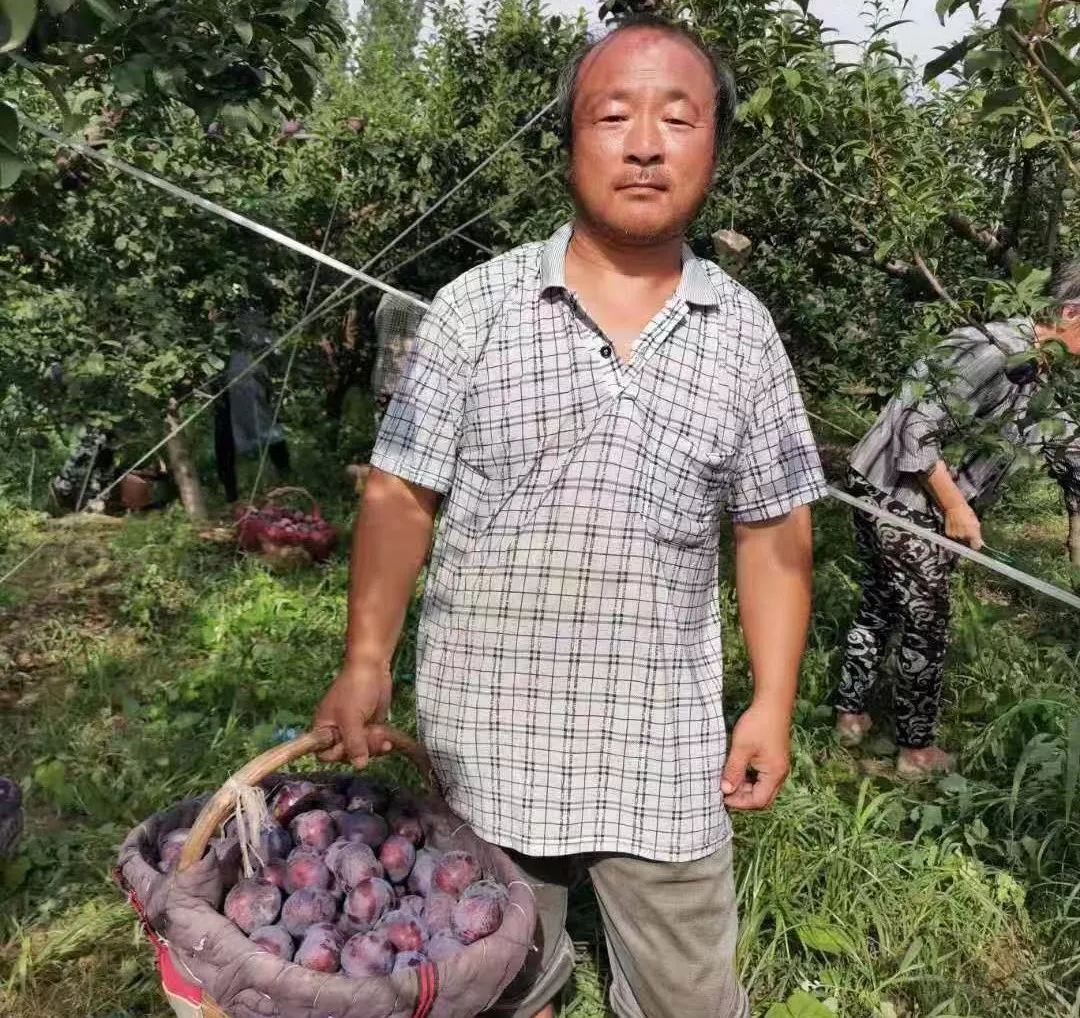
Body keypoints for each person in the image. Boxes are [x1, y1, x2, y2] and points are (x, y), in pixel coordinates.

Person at [314, 17, 826, 1018]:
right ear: (569, 142)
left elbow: (772, 531)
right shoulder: (477, 309)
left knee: (691, 1000)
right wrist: (367, 658)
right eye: (614, 115)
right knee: (495, 984)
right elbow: (400, 492)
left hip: (663, 748)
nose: (646, 143)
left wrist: (771, 700)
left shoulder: (745, 335)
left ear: (714, 143)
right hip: (485, 746)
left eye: (678, 118)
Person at [836, 266, 1080, 777]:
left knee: (880, 602)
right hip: (896, 492)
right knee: (927, 622)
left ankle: (850, 716)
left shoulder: (1042, 372)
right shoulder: (994, 350)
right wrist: (954, 507)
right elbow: (917, 428)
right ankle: (914, 751)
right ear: (1071, 313)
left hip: (907, 494)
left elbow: (1064, 444)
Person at [213, 301, 291, 504]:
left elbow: (269, 344)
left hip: (252, 376)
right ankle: (230, 492)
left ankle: (287, 479)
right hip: (226, 377)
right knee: (225, 432)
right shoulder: (224, 311)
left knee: (266, 426)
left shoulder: (253, 304)